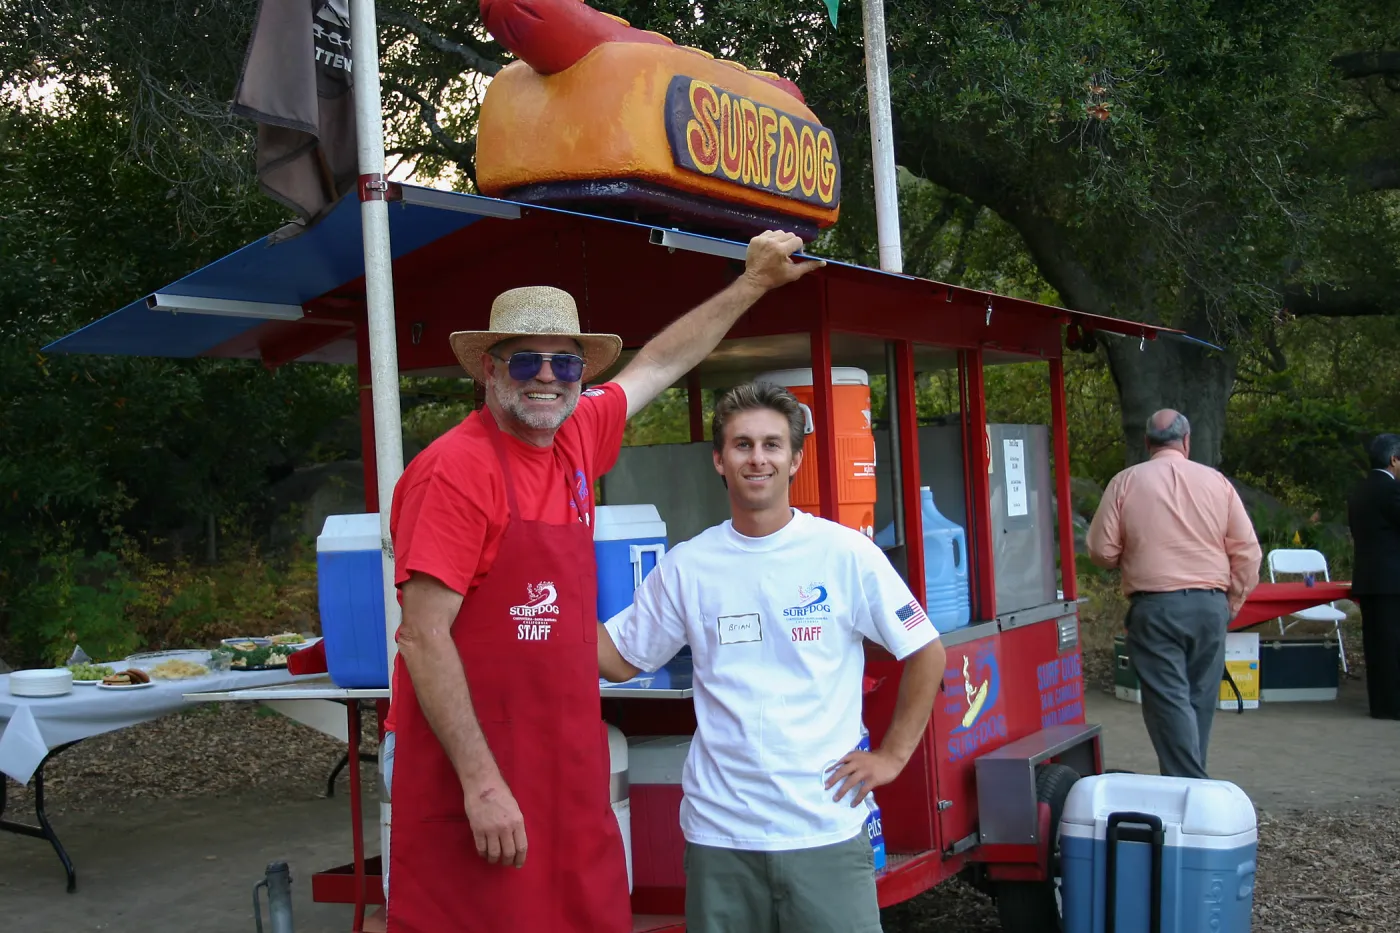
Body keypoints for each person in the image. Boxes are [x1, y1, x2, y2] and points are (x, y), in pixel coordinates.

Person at [384, 231, 824, 933]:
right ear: (490, 372)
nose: (548, 376)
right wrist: (481, 781)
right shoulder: (455, 471)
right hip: (480, 772)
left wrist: (754, 284)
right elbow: (424, 636)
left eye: (566, 362)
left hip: (567, 770)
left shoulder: (576, 435)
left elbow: (662, 362)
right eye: (526, 360)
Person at [598, 381, 947, 933]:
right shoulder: (690, 565)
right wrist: (545, 590)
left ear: (796, 458)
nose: (757, 458)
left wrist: (893, 757)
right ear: (719, 459)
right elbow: (619, 659)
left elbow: (926, 652)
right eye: (741, 445)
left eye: (771, 444)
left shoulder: (845, 553)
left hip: (823, 830)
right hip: (721, 838)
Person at [1086, 409, 1261, 779]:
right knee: (1199, 699)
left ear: (1147, 443)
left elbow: (1101, 551)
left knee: (1168, 701)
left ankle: (1190, 789)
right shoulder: (1217, 483)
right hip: (1211, 604)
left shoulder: (1125, 482)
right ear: (1186, 441)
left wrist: (1127, 555)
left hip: (1156, 607)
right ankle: (1190, 785)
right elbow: (1248, 551)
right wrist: (1234, 600)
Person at [1346, 433, 1400, 720]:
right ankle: (1393, 705)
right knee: (1393, 646)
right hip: (1392, 580)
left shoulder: (1361, 489)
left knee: (1378, 645)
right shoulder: (1391, 491)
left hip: (1369, 577)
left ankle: (1381, 704)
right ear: (1394, 459)